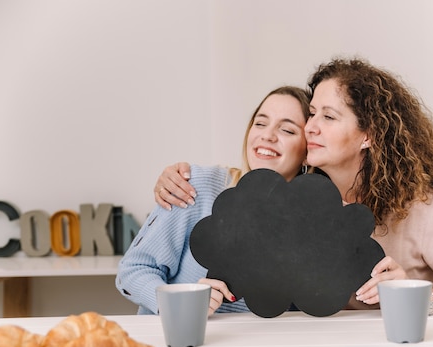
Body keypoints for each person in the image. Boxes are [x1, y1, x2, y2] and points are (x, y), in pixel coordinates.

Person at [154, 57, 433, 314]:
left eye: (328, 117)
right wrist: (178, 176)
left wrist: (420, 298)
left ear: (368, 136)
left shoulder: (420, 208)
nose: (311, 127)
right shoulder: (297, 192)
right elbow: (246, 179)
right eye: (312, 114)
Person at [116, 86, 311, 315]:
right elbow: (132, 271)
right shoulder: (196, 185)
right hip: (181, 342)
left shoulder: (309, 221)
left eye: (287, 130)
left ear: (308, 150)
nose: (267, 135)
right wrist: (182, 302)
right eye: (260, 123)